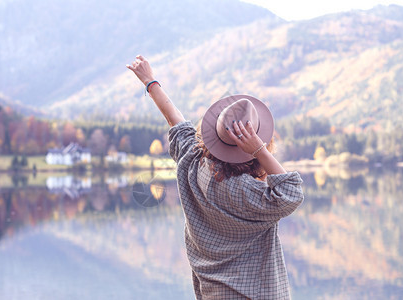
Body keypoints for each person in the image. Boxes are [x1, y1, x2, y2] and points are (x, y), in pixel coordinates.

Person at [127, 55, 304, 300]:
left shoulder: (192, 162)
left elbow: (175, 121)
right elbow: (292, 193)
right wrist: (259, 150)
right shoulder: (249, 193)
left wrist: (150, 81)